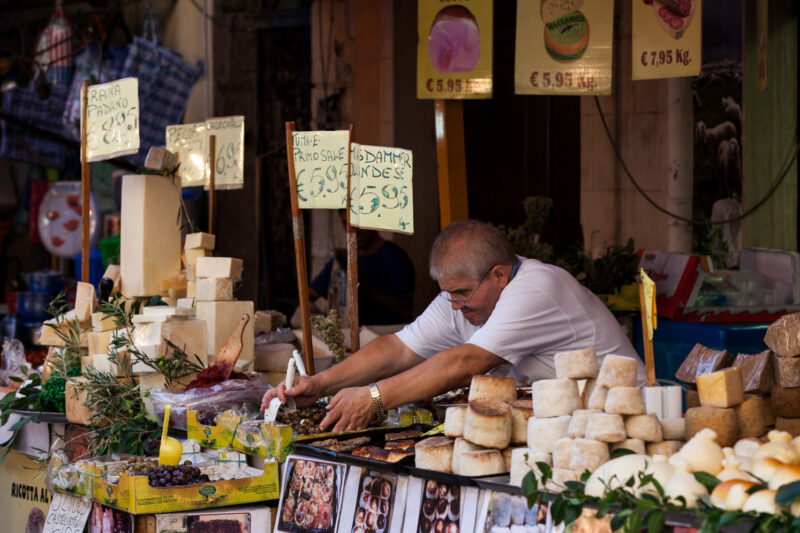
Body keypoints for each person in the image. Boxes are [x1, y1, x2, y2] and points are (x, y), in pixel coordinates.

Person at [263, 219, 645, 431]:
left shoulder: (537, 287)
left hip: (626, 418)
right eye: (449, 294)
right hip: (569, 423)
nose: (456, 305)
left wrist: (375, 398)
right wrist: (321, 384)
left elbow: (465, 362)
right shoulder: (458, 298)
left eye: (463, 293)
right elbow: (397, 348)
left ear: (498, 275)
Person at [309, 212, 415, 325]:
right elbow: (309, 294)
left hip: (385, 335)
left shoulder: (395, 257)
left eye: (358, 222)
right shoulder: (343, 260)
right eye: (346, 223)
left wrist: (362, 286)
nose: (353, 229)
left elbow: (405, 310)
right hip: (348, 336)